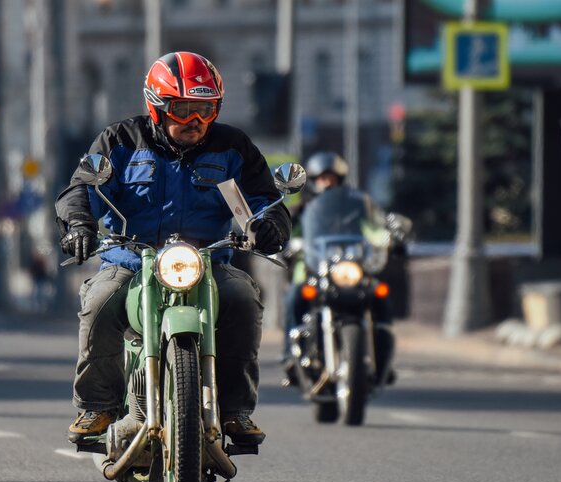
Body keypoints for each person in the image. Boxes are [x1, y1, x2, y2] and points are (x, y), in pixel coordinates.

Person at [55, 51, 291, 446]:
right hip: (130, 260)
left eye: (206, 109)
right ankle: (97, 405)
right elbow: (81, 188)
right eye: (183, 109)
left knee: (243, 298)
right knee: (99, 299)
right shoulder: (119, 140)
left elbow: (267, 200)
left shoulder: (234, 146)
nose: (196, 121)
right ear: (158, 107)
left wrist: (269, 225)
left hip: (208, 260)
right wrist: (78, 225)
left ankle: (236, 411)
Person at [280, 151, 395, 384]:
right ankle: (289, 358)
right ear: (313, 180)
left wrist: (386, 237)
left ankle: (382, 358)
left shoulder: (355, 205)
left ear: (340, 179)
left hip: (350, 269)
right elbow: (288, 232)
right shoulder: (302, 208)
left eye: (330, 177)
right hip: (312, 269)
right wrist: (285, 242)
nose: (326, 182)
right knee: (294, 298)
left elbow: (372, 228)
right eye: (321, 178)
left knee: (379, 295)